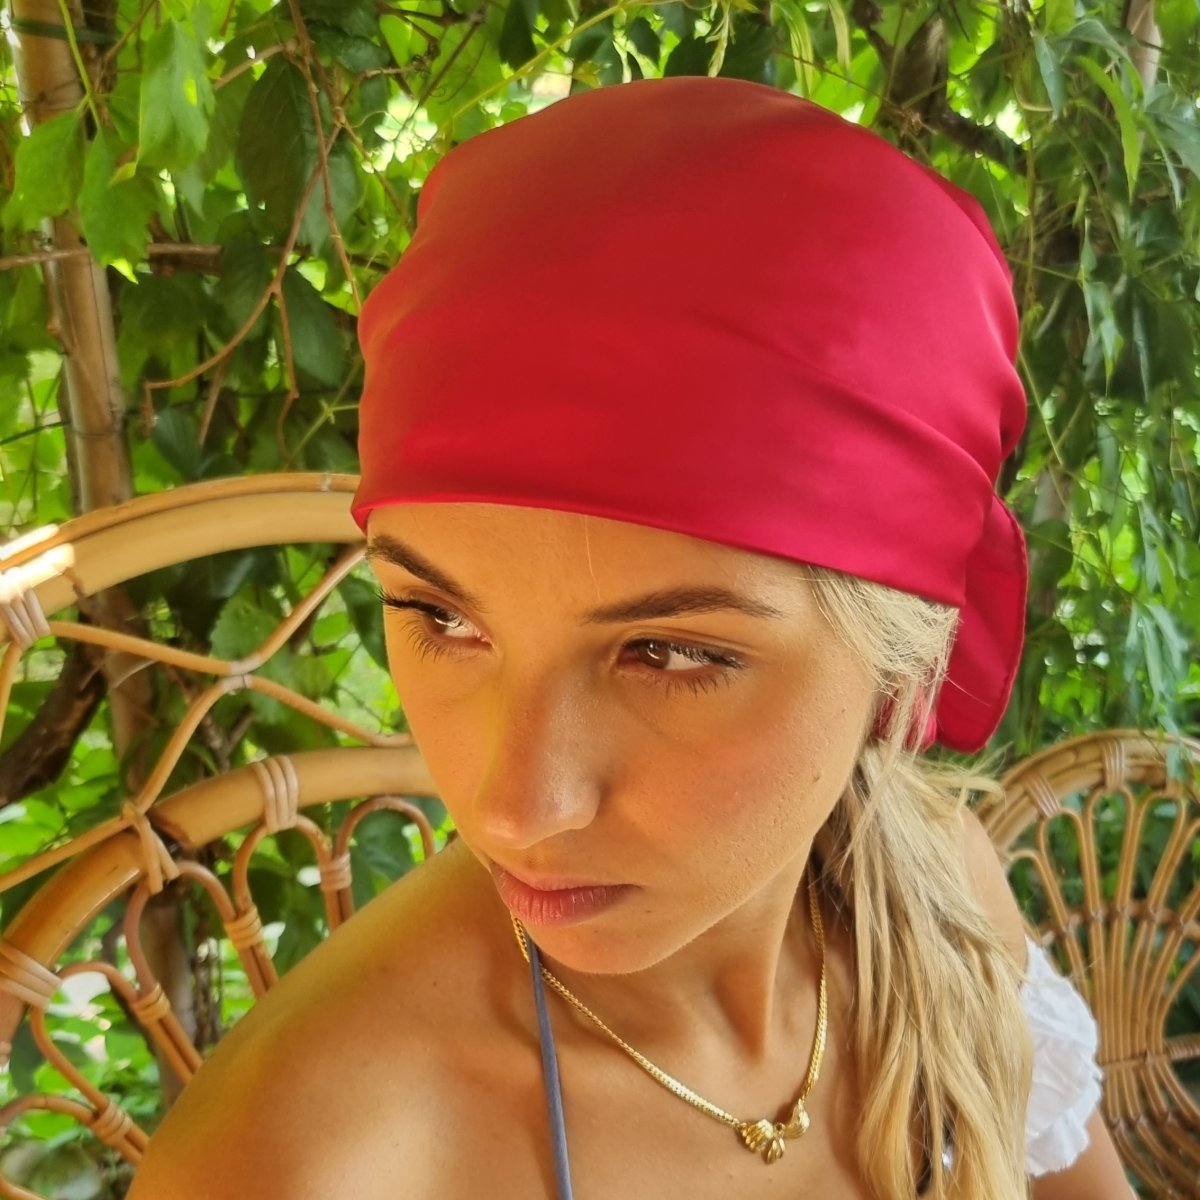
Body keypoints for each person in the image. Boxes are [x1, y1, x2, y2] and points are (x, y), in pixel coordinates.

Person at [131, 76, 1136, 1199]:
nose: (515, 810)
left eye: (671, 653)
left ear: (905, 661)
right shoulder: (309, 1164)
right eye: (441, 617)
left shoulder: (937, 905)